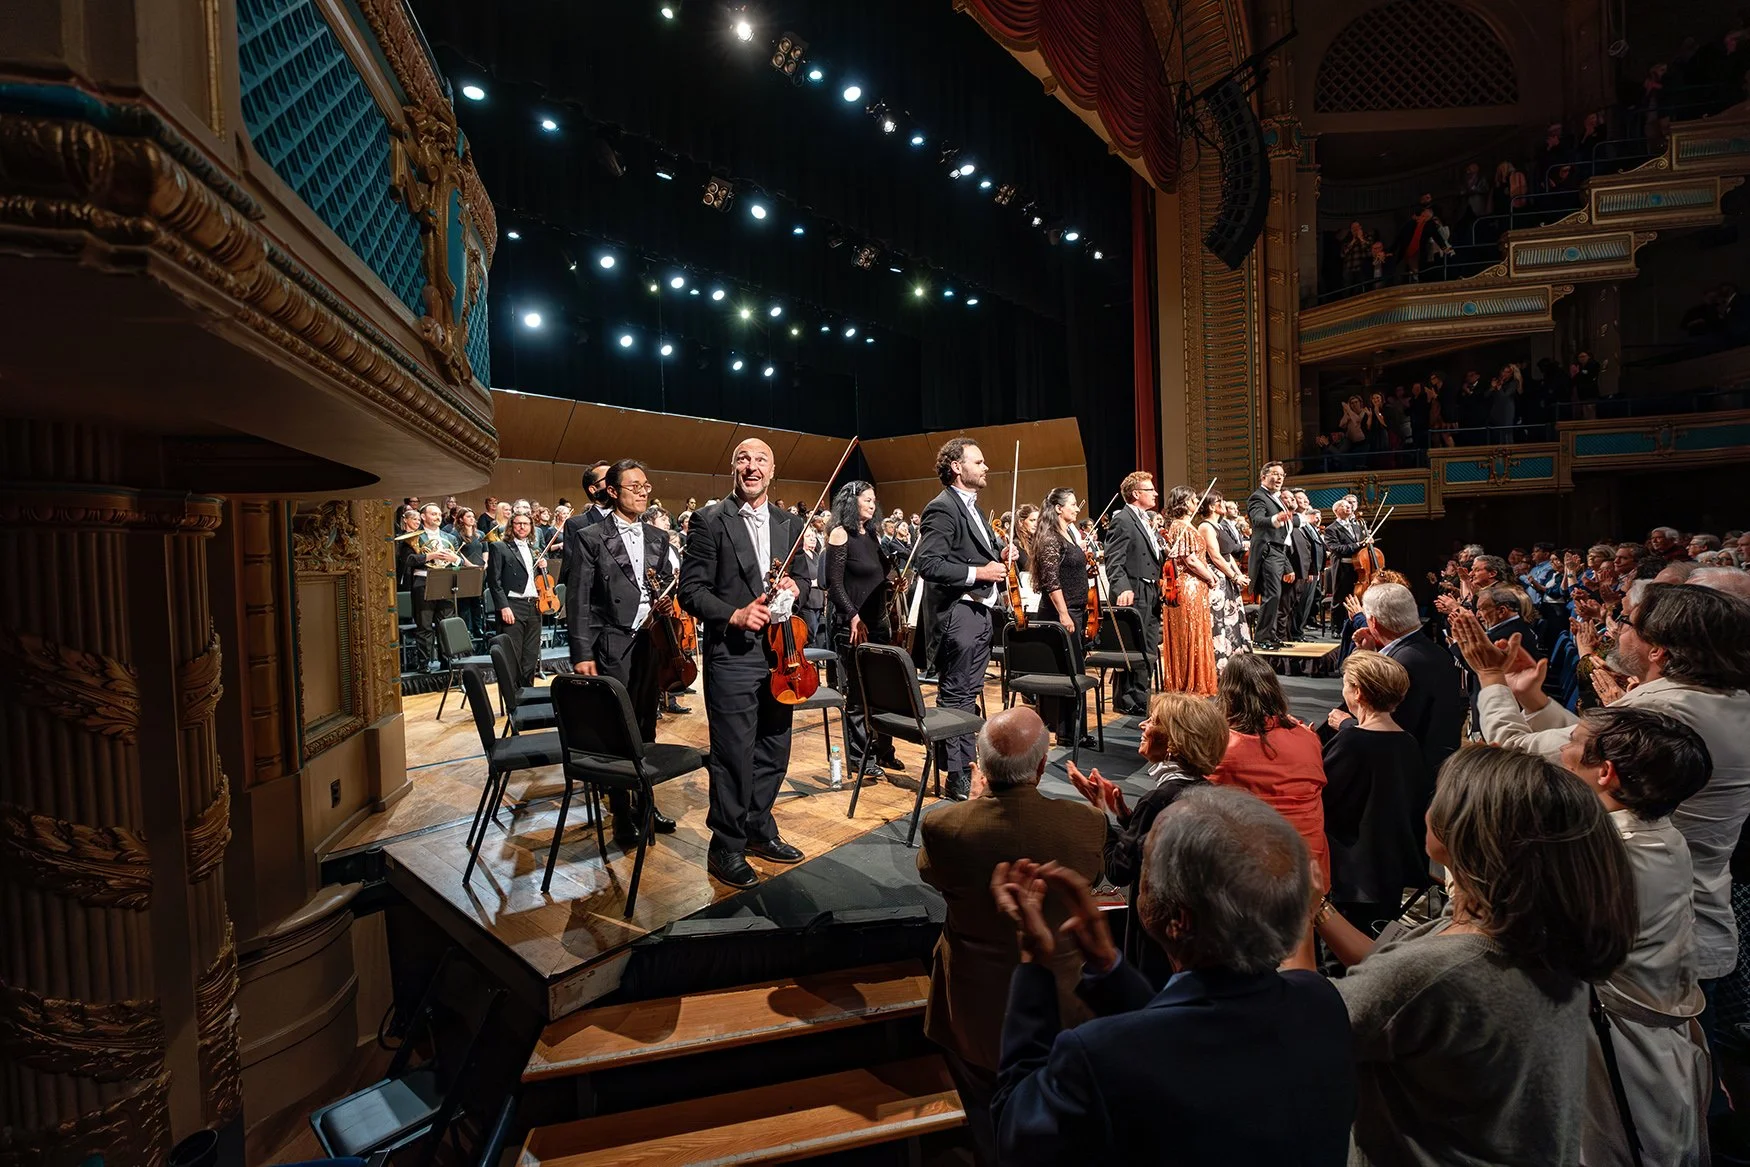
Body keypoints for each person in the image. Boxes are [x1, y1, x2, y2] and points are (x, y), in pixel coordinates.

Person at [1451, 586, 1750, 1078]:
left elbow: (1517, 751)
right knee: (1696, 1078)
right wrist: (1536, 698)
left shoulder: (1662, 707)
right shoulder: (1728, 699)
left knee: (1655, 1094)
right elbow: (1595, 753)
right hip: (1695, 913)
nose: (1615, 629)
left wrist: (1491, 678)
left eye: (1627, 623)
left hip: (1636, 929)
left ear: (1659, 650)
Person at [1296, 746, 1638, 1166]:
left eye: (1440, 796)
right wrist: (1319, 909)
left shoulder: (1437, 972)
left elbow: (1299, 1030)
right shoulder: (1540, 932)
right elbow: (1390, 965)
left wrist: (1294, 913)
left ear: (1468, 830)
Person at [988, 787, 1355, 1165]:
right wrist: (1108, 967)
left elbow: (1015, 1135)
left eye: (1147, 864)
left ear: (1177, 920)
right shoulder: (1320, 1001)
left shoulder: (1096, 1056)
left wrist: (1034, 962)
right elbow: (1185, 1048)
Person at [917, 707, 1105, 1166]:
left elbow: (932, 874)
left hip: (971, 1010)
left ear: (977, 766)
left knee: (985, 1118)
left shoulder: (945, 827)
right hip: (1062, 1007)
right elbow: (1096, 874)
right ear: (1042, 768)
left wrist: (976, 802)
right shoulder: (1087, 824)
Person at [677, 438, 812, 889]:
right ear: (733, 468)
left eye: (760, 461)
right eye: (743, 459)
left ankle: (758, 827)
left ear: (773, 471)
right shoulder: (709, 520)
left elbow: (808, 584)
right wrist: (734, 614)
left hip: (782, 654)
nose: (752, 468)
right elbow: (690, 591)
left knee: (775, 747)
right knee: (734, 753)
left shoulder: (789, 523)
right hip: (733, 656)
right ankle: (726, 846)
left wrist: (797, 587)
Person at [1066, 690, 1227, 984]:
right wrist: (1126, 816)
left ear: (1174, 743)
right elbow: (1150, 844)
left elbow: (1119, 871)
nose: (1142, 725)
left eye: (1152, 721)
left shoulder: (1156, 801)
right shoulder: (1206, 791)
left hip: (1154, 939)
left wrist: (1100, 812)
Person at [565, 458, 678, 845]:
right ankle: (619, 810)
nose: (643, 492)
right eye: (634, 486)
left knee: (647, 723)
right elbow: (578, 600)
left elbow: (661, 581)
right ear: (612, 492)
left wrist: (666, 598)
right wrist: (582, 653)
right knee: (618, 728)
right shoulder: (591, 536)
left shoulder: (658, 537)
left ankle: (645, 800)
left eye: (646, 485)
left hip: (651, 643)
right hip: (612, 644)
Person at [916, 438, 1010, 801]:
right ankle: (957, 774)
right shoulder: (942, 508)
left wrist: (1001, 552)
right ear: (957, 467)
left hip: (978, 612)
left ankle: (960, 766)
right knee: (956, 695)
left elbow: (974, 553)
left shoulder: (972, 508)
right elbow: (929, 564)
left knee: (966, 693)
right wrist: (980, 573)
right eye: (979, 461)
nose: (986, 467)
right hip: (959, 613)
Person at [1320, 651, 1428, 933]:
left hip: (1354, 876)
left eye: (1345, 684)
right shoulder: (1408, 743)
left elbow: (1324, 799)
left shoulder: (1352, 743)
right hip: (1393, 870)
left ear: (1358, 692)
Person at [1335, 581, 1465, 807]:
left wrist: (1346, 724)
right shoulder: (1431, 650)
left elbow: (1389, 730)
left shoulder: (1403, 664)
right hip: (1436, 769)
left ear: (1372, 621)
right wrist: (1369, 654)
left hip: (1407, 783)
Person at [1210, 652, 1330, 883]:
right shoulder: (1307, 737)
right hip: (1313, 873)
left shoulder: (1225, 748)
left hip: (1256, 879)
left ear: (1228, 695)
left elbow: (1196, 793)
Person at [825, 480, 901, 781]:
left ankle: (883, 750)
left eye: (874, 500)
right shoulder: (839, 534)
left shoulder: (872, 535)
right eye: (867, 499)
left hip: (878, 622)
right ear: (851, 501)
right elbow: (835, 585)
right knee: (857, 696)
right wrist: (853, 615)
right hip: (854, 626)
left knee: (882, 692)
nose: (873, 504)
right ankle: (859, 757)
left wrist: (894, 581)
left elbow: (881, 573)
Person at [1028, 488, 1094, 748]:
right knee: (1069, 675)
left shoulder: (1069, 534)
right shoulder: (1050, 538)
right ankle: (1068, 732)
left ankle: (1072, 731)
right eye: (1073, 505)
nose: (1077, 509)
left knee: (1074, 672)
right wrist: (1064, 614)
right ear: (1058, 508)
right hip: (1060, 615)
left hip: (1074, 611)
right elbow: (1051, 580)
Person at [1103, 471, 1163, 714]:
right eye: (1150, 490)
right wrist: (1122, 587)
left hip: (1151, 589)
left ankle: (1141, 696)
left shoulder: (1144, 519)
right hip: (1135, 589)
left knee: (1148, 646)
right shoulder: (1123, 519)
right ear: (1136, 494)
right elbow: (1113, 560)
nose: (1156, 493)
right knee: (1133, 646)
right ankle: (1128, 700)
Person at [1160, 486, 1218, 695]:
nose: (1196, 503)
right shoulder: (1180, 526)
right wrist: (1211, 576)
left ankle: (1193, 680)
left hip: (1194, 585)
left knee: (1195, 632)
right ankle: (1189, 682)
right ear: (1184, 502)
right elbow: (1191, 560)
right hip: (1190, 585)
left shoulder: (1183, 526)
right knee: (1190, 633)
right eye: (1193, 500)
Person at [485, 511, 544, 686]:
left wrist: (543, 567)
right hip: (513, 605)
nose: (522, 527)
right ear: (511, 526)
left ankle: (528, 694)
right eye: (518, 523)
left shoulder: (535, 550)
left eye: (526, 524)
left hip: (534, 606)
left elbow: (538, 581)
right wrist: (504, 606)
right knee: (513, 655)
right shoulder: (499, 547)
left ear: (531, 527)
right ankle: (513, 699)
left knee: (531, 655)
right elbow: (494, 582)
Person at [1194, 491, 1252, 671]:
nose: (1225, 503)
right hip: (1217, 578)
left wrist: (1238, 574)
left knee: (1232, 620)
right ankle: (1220, 665)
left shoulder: (1219, 526)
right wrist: (1234, 576)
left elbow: (1228, 557)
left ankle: (1235, 663)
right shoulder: (1205, 527)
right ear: (1211, 506)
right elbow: (1215, 556)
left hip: (1226, 576)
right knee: (1221, 622)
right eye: (1221, 501)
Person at [1245, 461, 1300, 649]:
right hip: (1268, 551)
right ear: (1263, 476)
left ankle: (1271, 634)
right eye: (1275, 474)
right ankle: (1261, 638)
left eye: (1282, 475)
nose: (1279, 478)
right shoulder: (1258, 497)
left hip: (1279, 551)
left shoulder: (1275, 498)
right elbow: (1258, 520)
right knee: (1272, 595)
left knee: (1277, 597)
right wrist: (1276, 518)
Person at [405, 502, 461, 671]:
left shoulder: (449, 537)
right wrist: (431, 556)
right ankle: (423, 664)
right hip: (423, 582)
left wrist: (454, 560)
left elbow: (459, 563)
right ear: (423, 517)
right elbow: (408, 560)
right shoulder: (413, 536)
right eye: (433, 514)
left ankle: (448, 661)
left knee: (446, 624)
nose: (437, 517)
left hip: (445, 583)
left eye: (438, 514)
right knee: (424, 625)